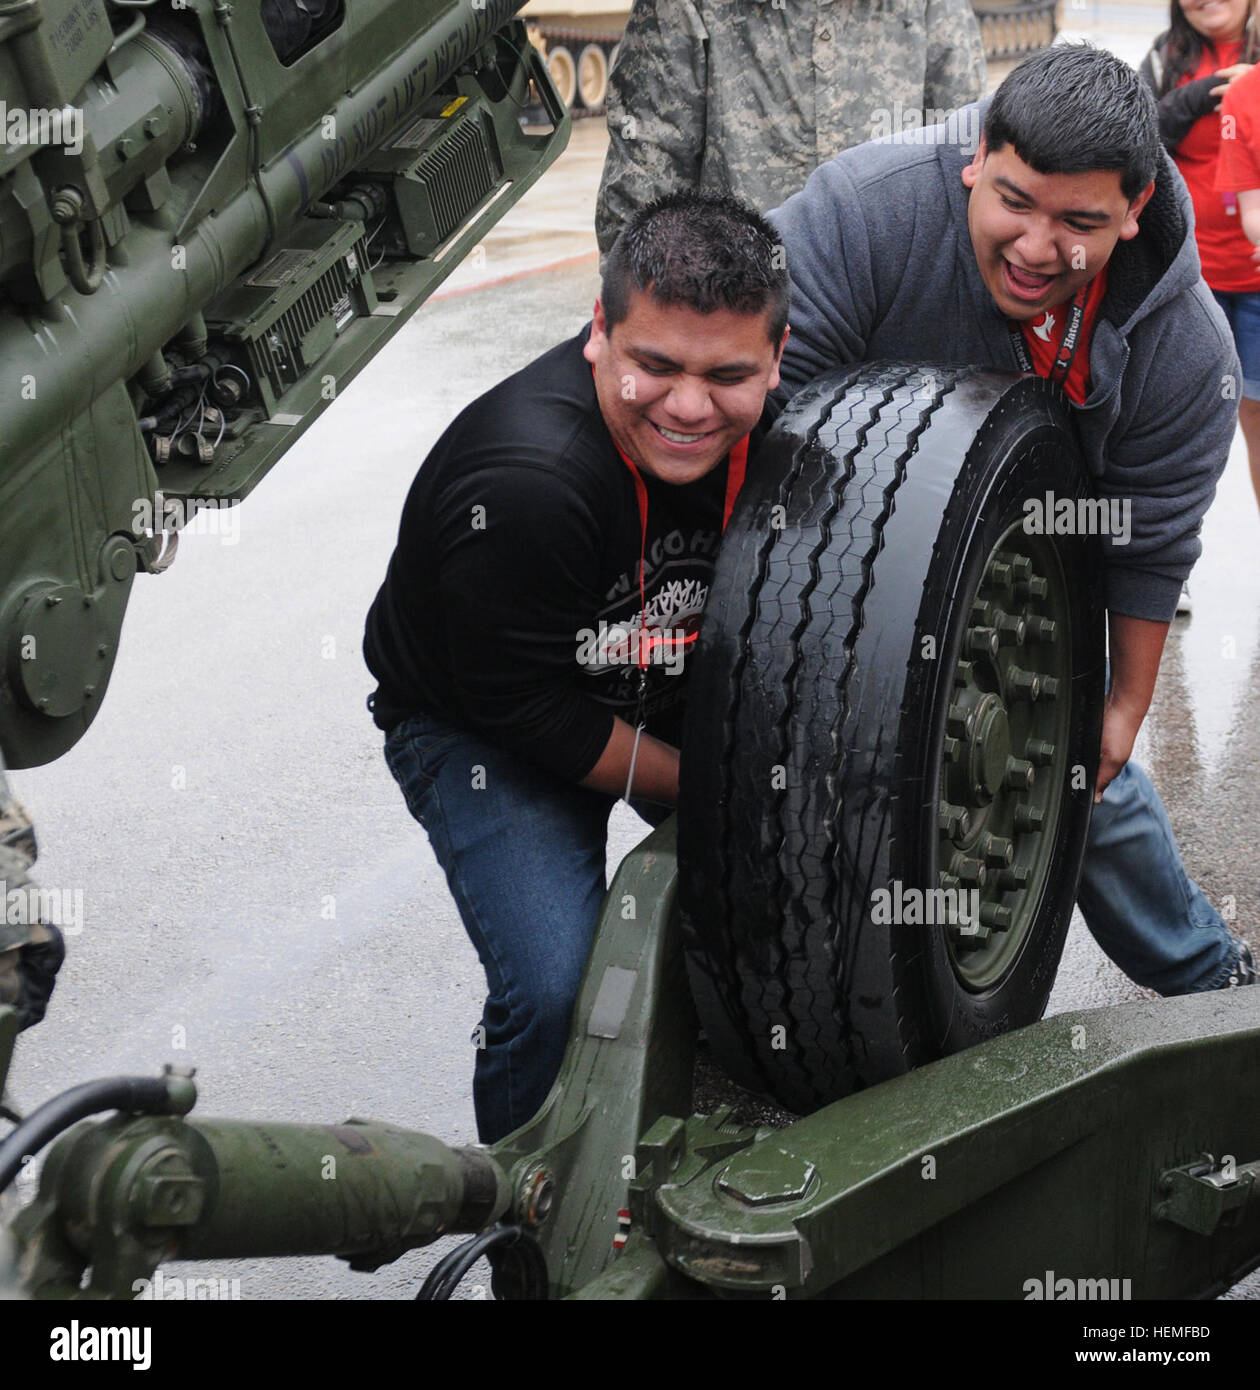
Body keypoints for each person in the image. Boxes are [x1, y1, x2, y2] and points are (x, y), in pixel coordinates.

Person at [768, 42, 1255, 996]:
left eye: (1080, 223)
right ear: (976, 158)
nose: (1037, 250)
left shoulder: (1189, 351)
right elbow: (742, 406)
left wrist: (1119, 713)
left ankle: (1216, 989)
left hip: (1014, 609)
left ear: (1134, 213)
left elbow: (1150, 540)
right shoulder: (863, 215)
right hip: (829, 574)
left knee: (1090, 792)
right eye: (1014, 202)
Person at [364, 193, 789, 1143]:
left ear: (776, 357)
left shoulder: (784, 440)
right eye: (655, 366)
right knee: (559, 989)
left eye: (728, 375)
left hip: (660, 672)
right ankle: (527, 1215)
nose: (688, 407)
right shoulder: (526, 484)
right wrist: (714, 790)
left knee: (811, 871)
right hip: (484, 729)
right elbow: (530, 714)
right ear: (599, 332)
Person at [594, 0, 986, 257]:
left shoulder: (932, 6)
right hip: (734, 317)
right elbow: (644, 186)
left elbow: (958, 165)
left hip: (888, 317)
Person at [1138, 0, 1260, 519]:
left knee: (1255, 418)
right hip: (1184, 279)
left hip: (1255, 283)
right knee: (1170, 425)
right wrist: (1191, 99)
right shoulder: (1166, 58)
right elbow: (1131, 140)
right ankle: (1161, 557)